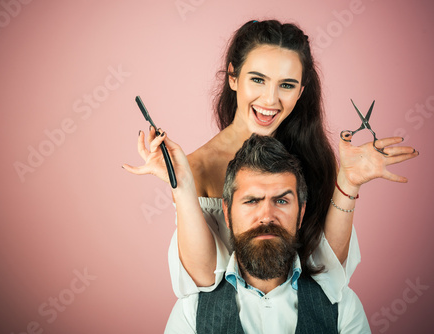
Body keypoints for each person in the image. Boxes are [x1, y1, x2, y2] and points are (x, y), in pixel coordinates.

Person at [123, 20, 418, 302]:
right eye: (258, 80)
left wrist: (348, 184)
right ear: (233, 77)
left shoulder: (312, 156)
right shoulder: (194, 168)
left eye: (286, 85)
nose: (270, 100)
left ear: (301, 91)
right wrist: (182, 186)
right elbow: (202, 279)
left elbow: (330, 272)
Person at [165, 134, 371, 333]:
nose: (266, 216)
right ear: (227, 213)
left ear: (300, 214)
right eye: (252, 201)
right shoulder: (190, 312)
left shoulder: (343, 308)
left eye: (281, 201)